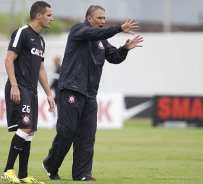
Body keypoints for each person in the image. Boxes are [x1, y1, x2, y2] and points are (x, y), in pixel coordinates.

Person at [42, 5, 143, 182]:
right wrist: (118, 28)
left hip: (90, 94)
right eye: (100, 18)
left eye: (104, 18)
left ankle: (82, 174)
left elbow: (114, 57)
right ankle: (51, 164)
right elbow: (93, 34)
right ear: (89, 19)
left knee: (87, 136)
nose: (103, 21)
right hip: (71, 89)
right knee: (68, 131)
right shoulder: (78, 30)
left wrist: (125, 49)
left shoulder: (102, 40)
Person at [1, 1, 55, 184]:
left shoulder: (40, 40)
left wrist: (48, 94)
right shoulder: (22, 32)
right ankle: (8, 170)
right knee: (24, 127)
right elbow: (8, 59)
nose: (52, 19)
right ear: (39, 15)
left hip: (31, 91)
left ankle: (23, 175)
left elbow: (40, 69)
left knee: (30, 131)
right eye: (49, 15)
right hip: (19, 87)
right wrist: (14, 85)